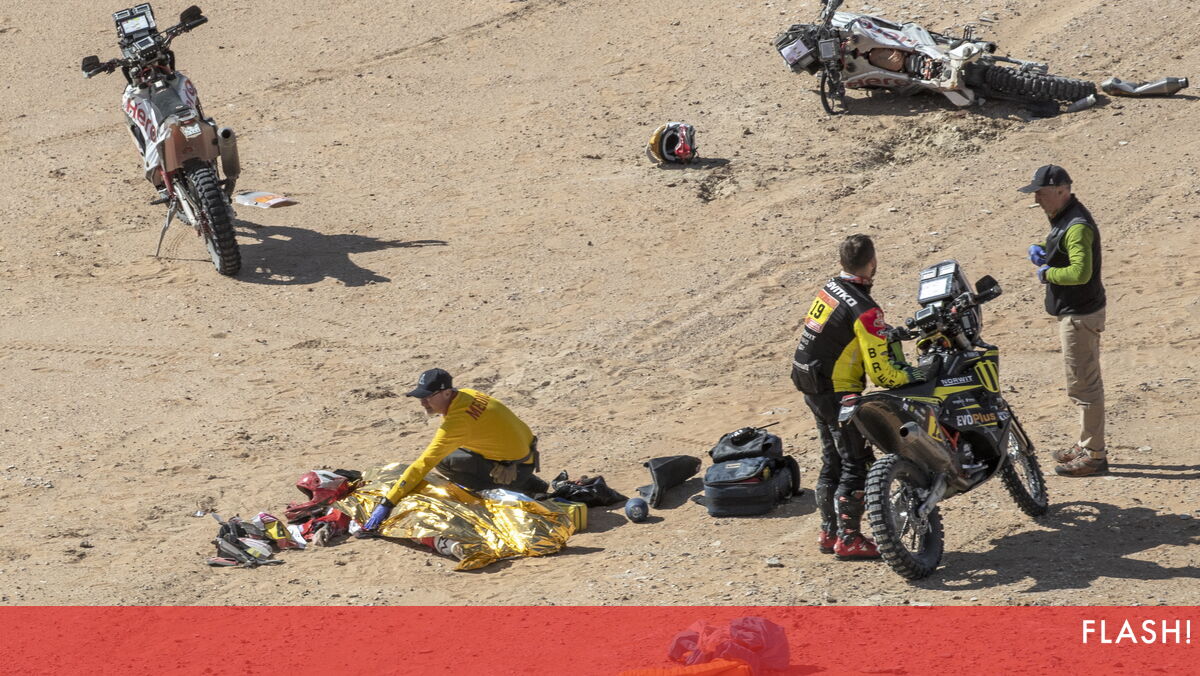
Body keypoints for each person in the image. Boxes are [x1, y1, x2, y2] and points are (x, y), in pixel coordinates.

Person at [790, 235, 925, 558]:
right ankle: (849, 539)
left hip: (809, 382)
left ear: (842, 262)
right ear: (873, 263)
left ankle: (829, 533)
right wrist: (913, 376)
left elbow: (836, 333)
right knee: (857, 462)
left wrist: (884, 335)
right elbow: (883, 375)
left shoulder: (830, 288)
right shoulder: (865, 310)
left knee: (833, 460)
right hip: (837, 391)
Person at [359, 368, 546, 534]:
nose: (422, 402)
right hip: (524, 457)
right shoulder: (467, 394)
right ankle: (529, 482)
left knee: (444, 461)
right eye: (420, 397)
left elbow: (423, 464)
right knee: (456, 449)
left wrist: (387, 503)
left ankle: (505, 491)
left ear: (447, 393)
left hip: (515, 469)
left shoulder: (458, 422)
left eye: (427, 397)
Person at [1020, 164, 1108, 477]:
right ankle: (1086, 445)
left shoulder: (1077, 225)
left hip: (1080, 316)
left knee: (1085, 386)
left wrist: (1049, 273)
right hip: (1077, 312)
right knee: (1082, 382)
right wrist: (1044, 248)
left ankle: (1094, 455)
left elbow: (1080, 272)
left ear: (1062, 190)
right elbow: (1063, 248)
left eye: (1041, 193)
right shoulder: (1064, 218)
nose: (1036, 199)